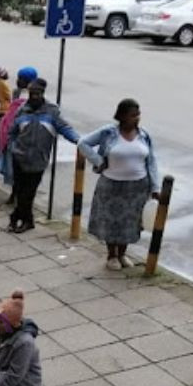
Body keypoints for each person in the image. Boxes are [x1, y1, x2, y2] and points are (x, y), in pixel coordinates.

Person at [80, 98, 162, 269]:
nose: (137, 118)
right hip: (111, 186)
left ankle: (123, 254)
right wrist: (98, 161)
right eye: (133, 115)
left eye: (138, 114)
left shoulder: (144, 135)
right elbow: (83, 143)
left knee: (130, 223)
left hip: (137, 188)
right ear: (122, 116)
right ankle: (112, 256)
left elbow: (152, 162)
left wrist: (155, 187)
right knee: (111, 221)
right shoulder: (108, 133)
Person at [5, 78, 78, 234]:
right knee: (19, 191)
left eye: (38, 94)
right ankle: (27, 220)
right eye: (32, 94)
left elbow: (65, 128)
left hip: (38, 160)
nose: (35, 97)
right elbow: (12, 132)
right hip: (19, 158)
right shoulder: (22, 110)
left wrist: (79, 141)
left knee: (28, 193)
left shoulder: (52, 112)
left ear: (43, 94)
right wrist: (12, 147)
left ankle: (18, 218)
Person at [0, 67, 37, 188]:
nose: (18, 81)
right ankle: (14, 189)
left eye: (22, 79)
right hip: (10, 131)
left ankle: (17, 190)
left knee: (18, 164)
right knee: (10, 162)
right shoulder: (16, 92)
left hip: (20, 135)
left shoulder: (30, 97)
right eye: (19, 78)